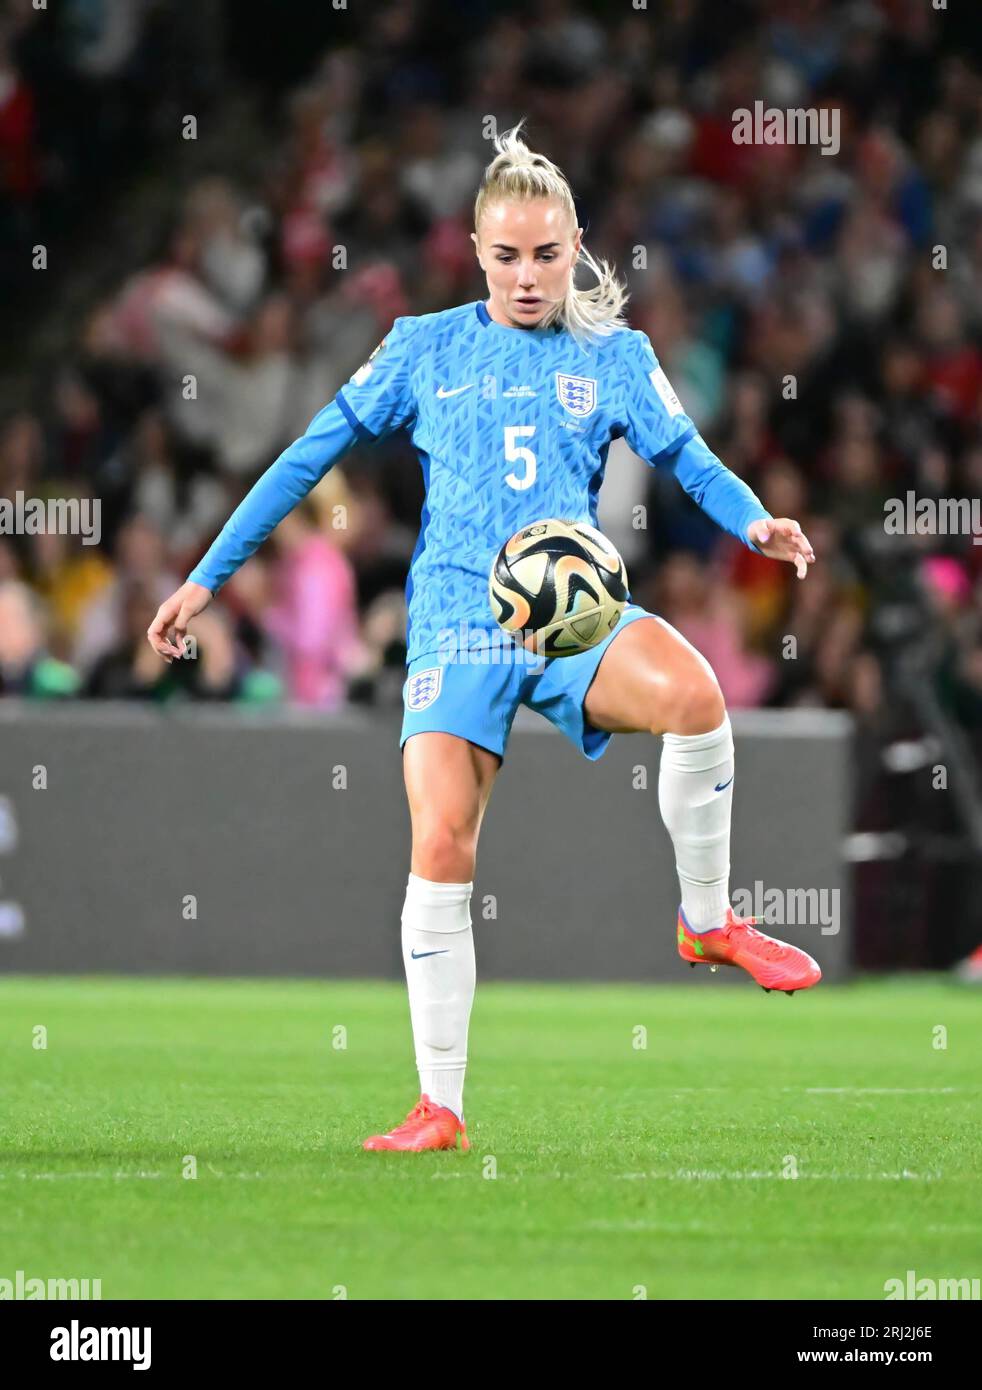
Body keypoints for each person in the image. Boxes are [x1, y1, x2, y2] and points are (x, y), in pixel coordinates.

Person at [148, 124, 820, 1154]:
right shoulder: (424, 346)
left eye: (546, 254)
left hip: (572, 614)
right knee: (441, 844)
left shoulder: (615, 355)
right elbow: (305, 455)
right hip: (459, 626)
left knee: (694, 698)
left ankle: (706, 919)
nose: (525, 275)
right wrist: (204, 577)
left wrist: (751, 521)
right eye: (505, 255)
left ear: (576, 247)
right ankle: (441, 1106)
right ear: (475, 250)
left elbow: (685, 455)